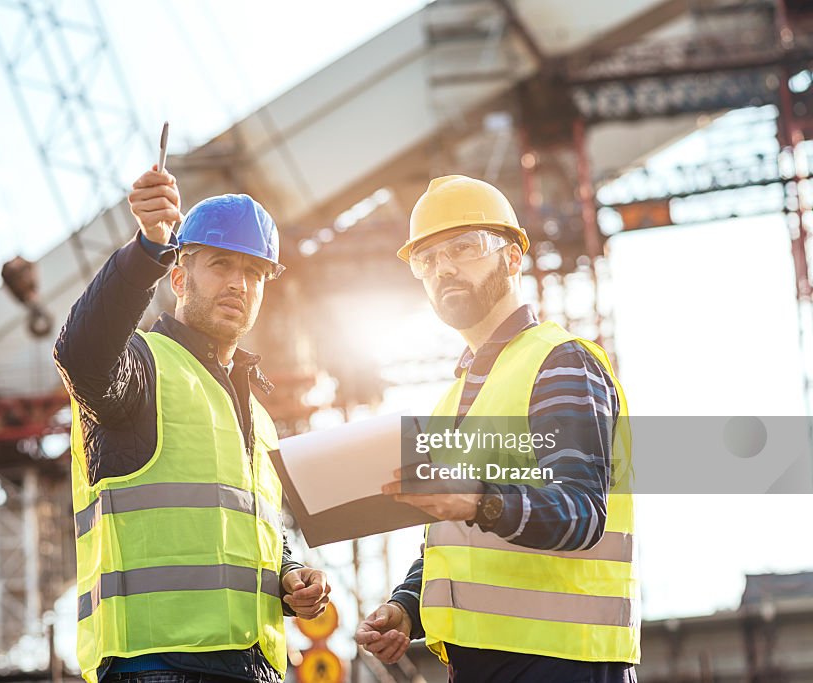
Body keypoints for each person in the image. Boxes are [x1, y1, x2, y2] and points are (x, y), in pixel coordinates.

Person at [355, 176, 638, 682]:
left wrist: (477, 499)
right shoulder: (451, 402)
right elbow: (456, 543)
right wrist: (405, 606)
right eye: (428, 259)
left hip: (562, 664)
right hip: (480, 665)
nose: (444, 268)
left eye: (464, 248)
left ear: (511, 258)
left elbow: (581, 513)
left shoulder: (558, 364)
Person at [55, 166, 331, 683]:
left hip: (256, 668)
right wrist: (149, 247)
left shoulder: (259, 416)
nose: (238, 283)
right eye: (220, 264)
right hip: (156, 666)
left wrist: (290, 577)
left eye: (254, 272)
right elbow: (82, 353)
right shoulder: (142, 367)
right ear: (179, 277)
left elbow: (249, 531)